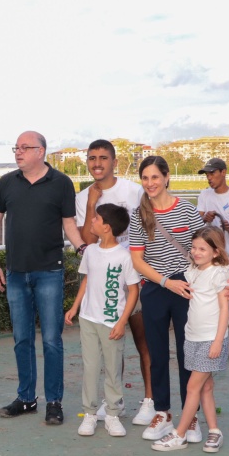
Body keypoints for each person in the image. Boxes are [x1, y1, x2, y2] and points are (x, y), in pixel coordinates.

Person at [0, 131, 85, 426]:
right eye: (16, 147)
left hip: (49, 272)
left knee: (52, 340)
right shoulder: (7, 182)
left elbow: (69, 224)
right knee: (22, 339)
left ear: (41, 151)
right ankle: (26, 399)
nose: (18, 152)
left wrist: (84, 250)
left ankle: (54, 402)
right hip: (15, 273)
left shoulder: (61, 183)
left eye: (24, 147)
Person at [74, 139, 154, 425]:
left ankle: (150, 401)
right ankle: (113, 406)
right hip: (104, 284)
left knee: (145, 342)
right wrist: (92, 203)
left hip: (136, 277)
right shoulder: (83, 197)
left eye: (103, 158)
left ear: (114, 162)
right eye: (92, 158)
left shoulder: (133, 191)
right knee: (111, 347)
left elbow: (150, 228)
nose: (97, 163)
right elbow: (87, 241)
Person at [128, 156, 206, 442]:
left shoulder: (186, 209)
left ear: (166, 177)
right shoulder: (139, 215)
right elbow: (137, 260)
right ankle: (162, 412)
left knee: (189, 353)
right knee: (157, 354)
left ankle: (191, 416)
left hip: (187, 288)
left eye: (155, 177)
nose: (150, 183)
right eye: (145, 178)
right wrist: (165, 282)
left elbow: (205, 248)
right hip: (155, 288)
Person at [150, 226, 229, 453]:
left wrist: (218, 341)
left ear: (216, 251)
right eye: (193, 247)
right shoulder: (193, 270)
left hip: (210, 339)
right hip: (192, 337)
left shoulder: (220, 273)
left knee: (192, 386)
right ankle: (214, 431)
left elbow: (224, 309)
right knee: (206, 387)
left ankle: (180, 434)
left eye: (202, 249)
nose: (196, 252)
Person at [66, 203, 140, 437]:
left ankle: (112, 415)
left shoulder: (124, 257)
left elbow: (133, 290)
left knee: (112, 369)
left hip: (112, 323)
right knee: (90, 367)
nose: (92, 221)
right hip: (88, 319)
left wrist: (122, 322)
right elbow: (86, 280)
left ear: (106, 227)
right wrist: (75, 307)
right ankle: (89, 413)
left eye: (96, 219)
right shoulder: (90, 251)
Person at [196, 157, 229, 323]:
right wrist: (205, 218)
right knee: (218, 298)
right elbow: (197, 223)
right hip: (213, 257)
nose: (209, 178)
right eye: (207, 175)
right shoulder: (204, 194)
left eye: (212, 173)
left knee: (220, 298)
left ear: (223, 172)